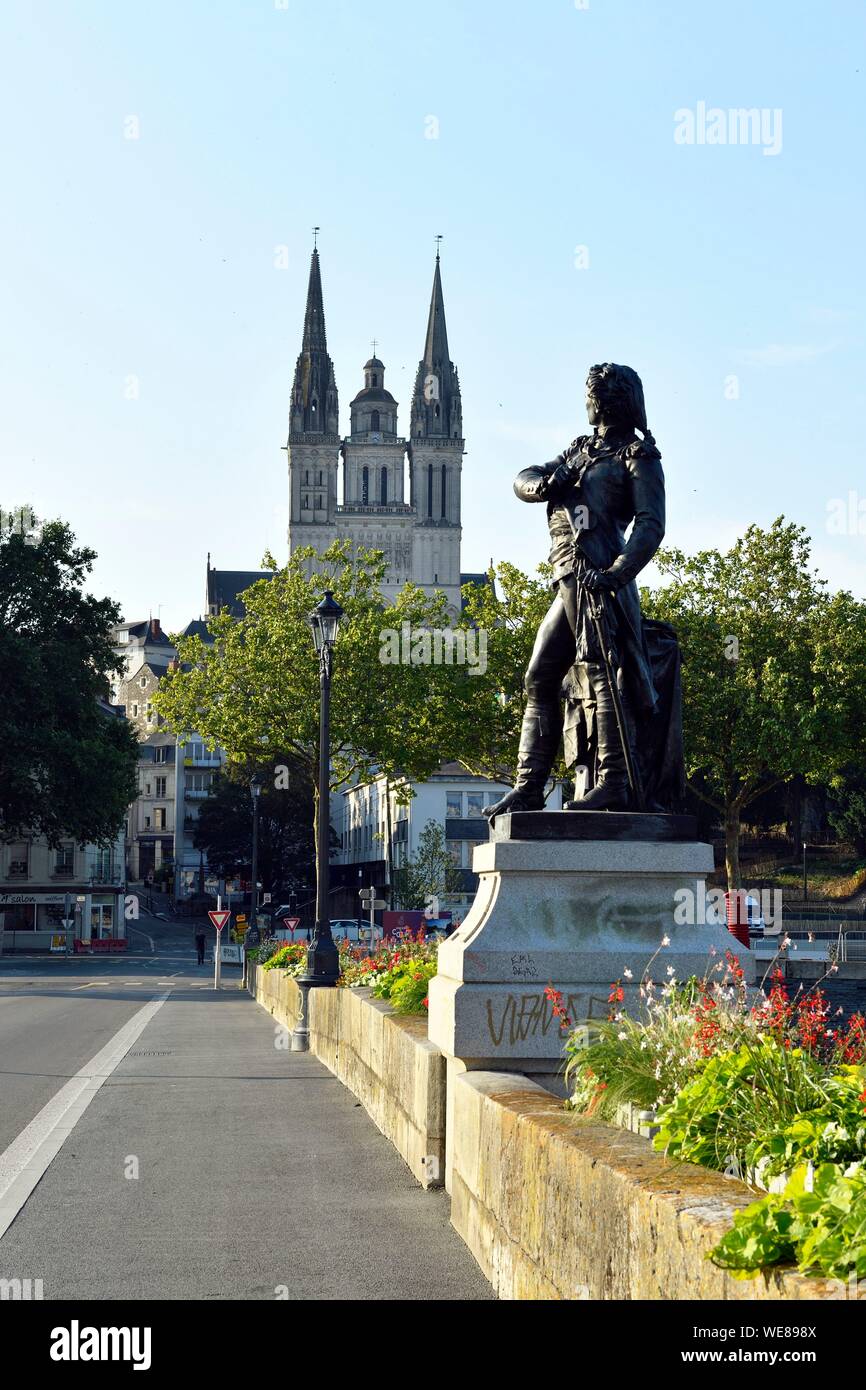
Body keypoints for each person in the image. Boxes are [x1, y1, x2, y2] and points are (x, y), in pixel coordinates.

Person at [484, 362, 681, 818]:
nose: (587, 400)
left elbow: (651, 527)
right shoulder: (580, 451)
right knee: (539, 676)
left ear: (610, 401)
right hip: (567, 577)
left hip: (598, 580)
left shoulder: (638, 457)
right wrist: (543, 484)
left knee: (599, 671)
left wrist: (615, 573)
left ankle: (614, 781)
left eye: (593, 393)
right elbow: (524, 477)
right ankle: (528, 788)